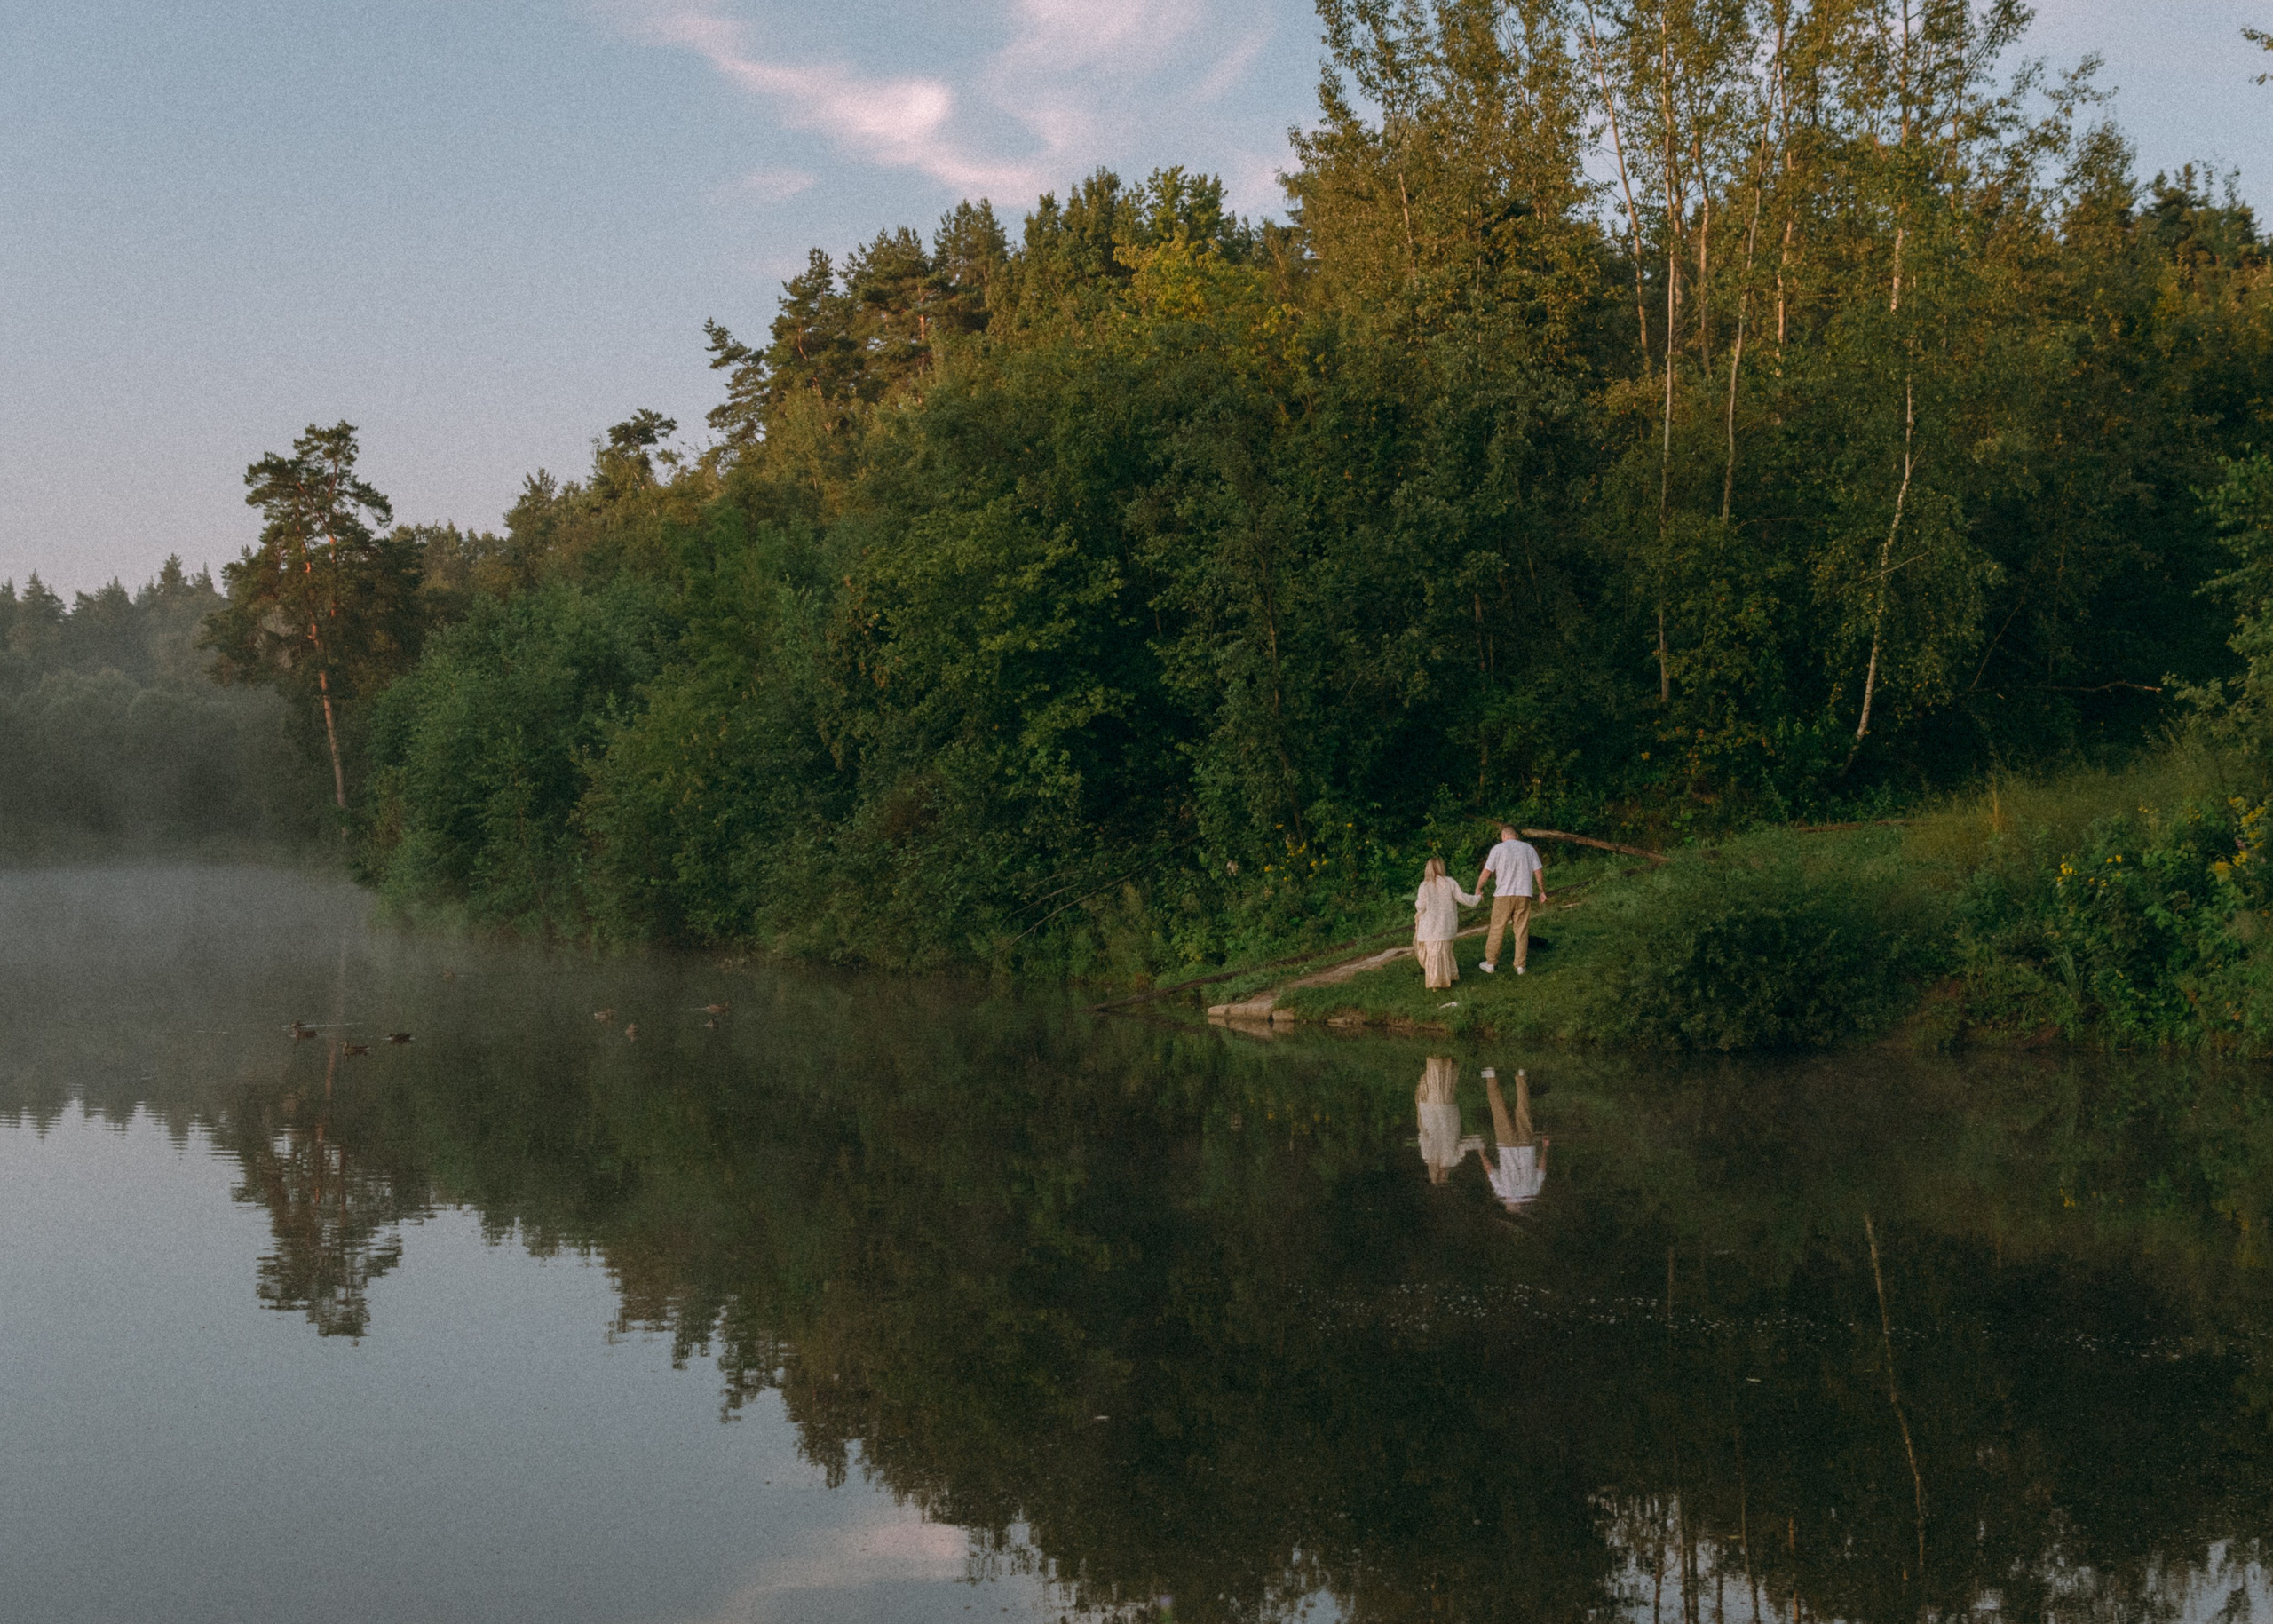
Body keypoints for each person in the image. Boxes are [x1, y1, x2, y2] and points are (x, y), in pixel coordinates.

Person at [1474, 824, 1548, 976]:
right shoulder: (1528, 848)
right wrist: (1542, 891)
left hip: (1503, 896)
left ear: (1504, 836)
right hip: (1524, 894)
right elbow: (1538, 872)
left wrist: (1478, 888)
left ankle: (1491, 963)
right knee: (1521, 930)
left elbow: (1487, 871)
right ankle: (1520, 965)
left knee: (1497, 928)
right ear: (1516, 836)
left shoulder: (1498, 849)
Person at [1481, 1066, 1548, 1210]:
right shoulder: (1502, 1192)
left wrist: (1545, 1148)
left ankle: (1521, 1075)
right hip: (1506, 1146)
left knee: (1524, 1110)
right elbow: (1490, 1170)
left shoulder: (1533, 1192)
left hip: (1526, 1147)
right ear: (1510, 1205)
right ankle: (1491, 1077)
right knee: (1498, 1111)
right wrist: (1482, 1153)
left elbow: (1542, 1168)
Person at [1413, 856, 1480, 990]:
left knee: (1434, 955)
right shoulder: (1450, 882)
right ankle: (1448, 977)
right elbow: (1463, 898)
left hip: (1431, 927)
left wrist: (1416, 904)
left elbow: (1421, 906)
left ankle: (1436, 983)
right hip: (1447, 926)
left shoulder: (1425, 886)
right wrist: (1477, 898)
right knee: (1446, 952)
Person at [1415, 1056, 1485, 1185]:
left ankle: (1446, 1063)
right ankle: (1437, 1062)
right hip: (1433, 1116)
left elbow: (1465, 1145)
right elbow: (1423, 1134)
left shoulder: (1452, 1160)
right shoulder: (1429, 1156)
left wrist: (1480, 1144)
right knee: (1436, 1091)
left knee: (1444, 1090)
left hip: (1448, 1116)